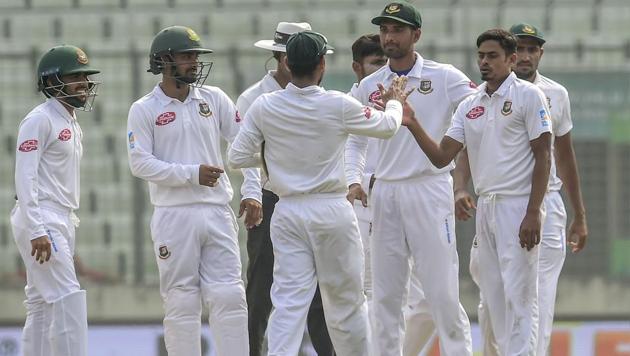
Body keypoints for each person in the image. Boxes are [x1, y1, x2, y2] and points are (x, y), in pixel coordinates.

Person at [228, 30, 415, 356]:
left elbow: (236, 157)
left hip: (287, 211)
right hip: (331, 209)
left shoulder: (264, 106)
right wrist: (396, 103)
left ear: (287, 61)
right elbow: (387, 127)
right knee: (346, 300)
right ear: (321, 65)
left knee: (287, 302)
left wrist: (278, 155)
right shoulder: (337, 104)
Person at [405, 28, 553, 355]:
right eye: (481, 56)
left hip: (518, 206)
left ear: (512, 60)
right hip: (486, 208)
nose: (484, 62)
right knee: (494, 295)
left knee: (520, 296)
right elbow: (444, 155)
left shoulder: (529, 96)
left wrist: (532, 212)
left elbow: (543, 155)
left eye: (492, 56)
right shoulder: (470, 103)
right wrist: (413, 123)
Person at [344, 3, 475, 355]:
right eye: (385, 30)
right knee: (386, 298)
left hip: (429, 188)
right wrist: (353, 179)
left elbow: (478, 112)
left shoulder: (444, 76)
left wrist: (461, 180)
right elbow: (354, 141)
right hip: (384, 193)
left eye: (398, 30)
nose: (389, 36)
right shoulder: (369, 85)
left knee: (442, 294)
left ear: (416, 35)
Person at [454, 23, 588, 356]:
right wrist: (461, 187)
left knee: (535, 298)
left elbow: (563, 156)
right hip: (493, 203)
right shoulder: (479, 96)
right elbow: (469, 145)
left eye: (533, 49)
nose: (527, 56)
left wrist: (579, 214)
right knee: (491, 295)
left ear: (539, 53)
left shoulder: (554, 94)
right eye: (522, 49)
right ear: (512, 56)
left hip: (542, 205)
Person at [126, 26, 261, 356]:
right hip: (174, 215)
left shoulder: (214, 98)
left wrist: (253, 191)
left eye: (196, 57)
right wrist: (192, 174)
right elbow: (140, 164)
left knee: (229, 295)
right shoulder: (144, 109)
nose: (194, 63)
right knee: (182, 300)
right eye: (187, 56)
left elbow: (246, 145)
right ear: (164, 60)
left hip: (217, 211)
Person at [237, 21, 334, 356]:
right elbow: (246, 153)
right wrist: (252, 196)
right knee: (262, 285)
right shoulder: (254, 98)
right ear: (280, 57)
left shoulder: (319, 97)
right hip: (269, 195)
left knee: (320, 290)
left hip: (311, 194)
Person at [10, 44, 100, 356]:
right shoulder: (39, 119)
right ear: (51, 81)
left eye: (85, 77)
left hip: (60, 217)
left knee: (40, 303)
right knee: (67, 296)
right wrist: (37, 229)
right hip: (41, 217)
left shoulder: (71, 122)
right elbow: (25, 176)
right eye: (75, 77)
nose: (84, 84)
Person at [346, 32, 387, 315]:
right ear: (357, 67)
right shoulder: (346, 105)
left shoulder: (403, 99)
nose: (384, 69)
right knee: (368, 288)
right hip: (364, 201)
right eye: (376, 63)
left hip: (405, 197)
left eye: (387, 61)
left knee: (419, 297)